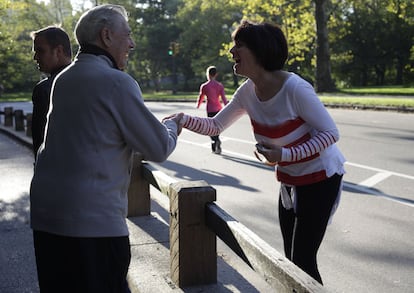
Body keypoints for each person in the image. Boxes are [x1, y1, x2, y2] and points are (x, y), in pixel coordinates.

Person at [170, 20, 345, 285]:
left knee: (303, 260)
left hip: (321, 178)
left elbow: (331, 134)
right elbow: (216, 125)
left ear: (260, 51)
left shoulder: (295, 89)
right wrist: (183, 119)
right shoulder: (247, 92)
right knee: (290, 261)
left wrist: (283, 155)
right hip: (290, 181)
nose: (231, 52)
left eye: (239, 45)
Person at [30, 4, 183, 293]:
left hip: (47, 219)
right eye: (128, 34)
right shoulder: (115, 82)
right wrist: (174, 124)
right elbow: (159, 146)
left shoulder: (63, 79)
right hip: (91, 226)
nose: (132, 43)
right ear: (107, 36)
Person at [31, 26, 72, 160]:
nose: (35, 57)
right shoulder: (90, 82)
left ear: (58, 51)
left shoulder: (44, 89)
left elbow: (40, 140)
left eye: (40, 51)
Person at [196, 66, 228, 154]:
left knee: (210, 127)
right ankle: (216, 141)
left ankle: (215, 141)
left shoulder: (204, 86)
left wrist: (198, 105)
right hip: (218, 108)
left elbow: (201, 97)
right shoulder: (219, 85)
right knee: (216, 127)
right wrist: (227, 107)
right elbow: (224, 98)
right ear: (216, 74)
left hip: (210, 109)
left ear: (208, 74)